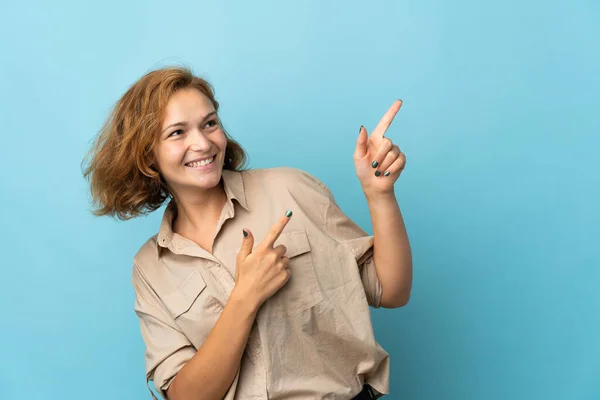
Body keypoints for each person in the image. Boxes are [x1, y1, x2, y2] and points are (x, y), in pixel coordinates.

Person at [82, 66, 413, 400]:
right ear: (147, 156)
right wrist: (246, 297)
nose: (202, 143)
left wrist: (379, 195)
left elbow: (391, 292)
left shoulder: (291, 190)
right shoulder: (151, 267)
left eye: (209, 123)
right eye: (177, 133)